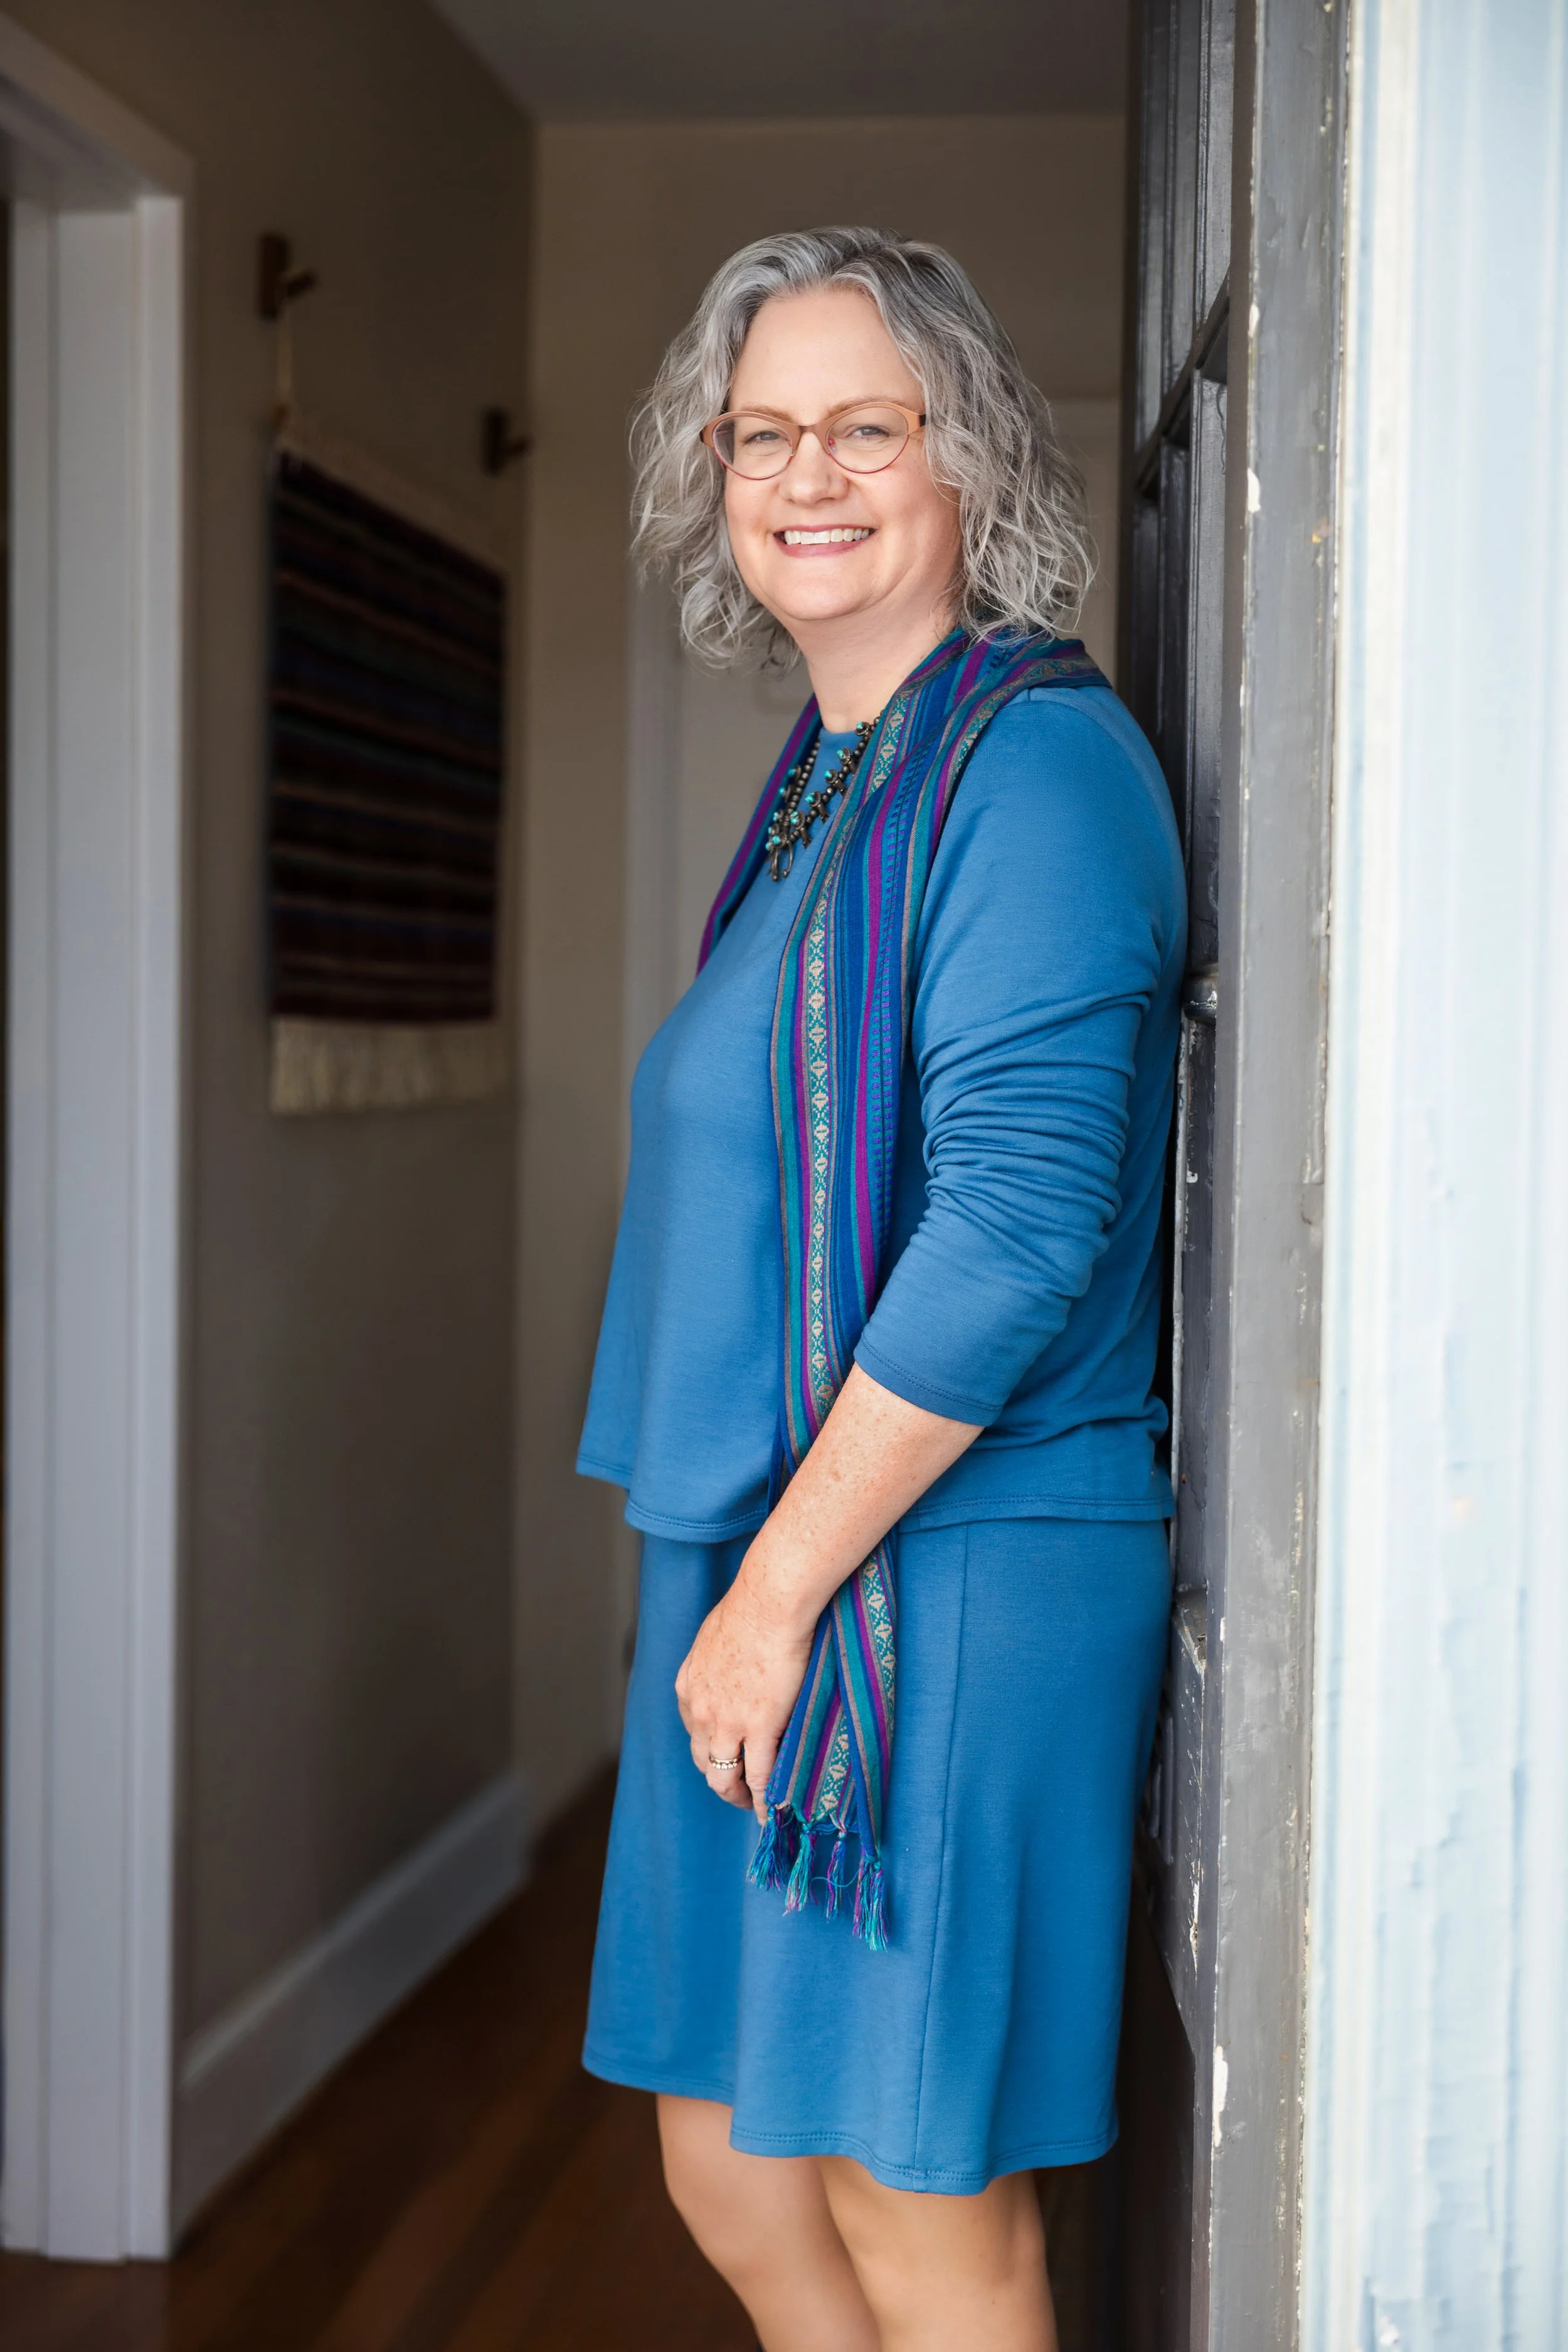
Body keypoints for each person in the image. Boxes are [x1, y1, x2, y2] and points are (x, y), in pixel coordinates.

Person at [576, 227, 1185, 2352]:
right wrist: (738, 1582)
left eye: (866, 427)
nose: (804, 473)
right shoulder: (838, 773)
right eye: (762, 432)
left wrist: (775, 1594)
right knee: (734, 2161)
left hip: (941, 1567)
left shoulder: (1031, 769)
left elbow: (1016, 1230)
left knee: (912, 2197)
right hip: (770, 1547)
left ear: (969, 467)